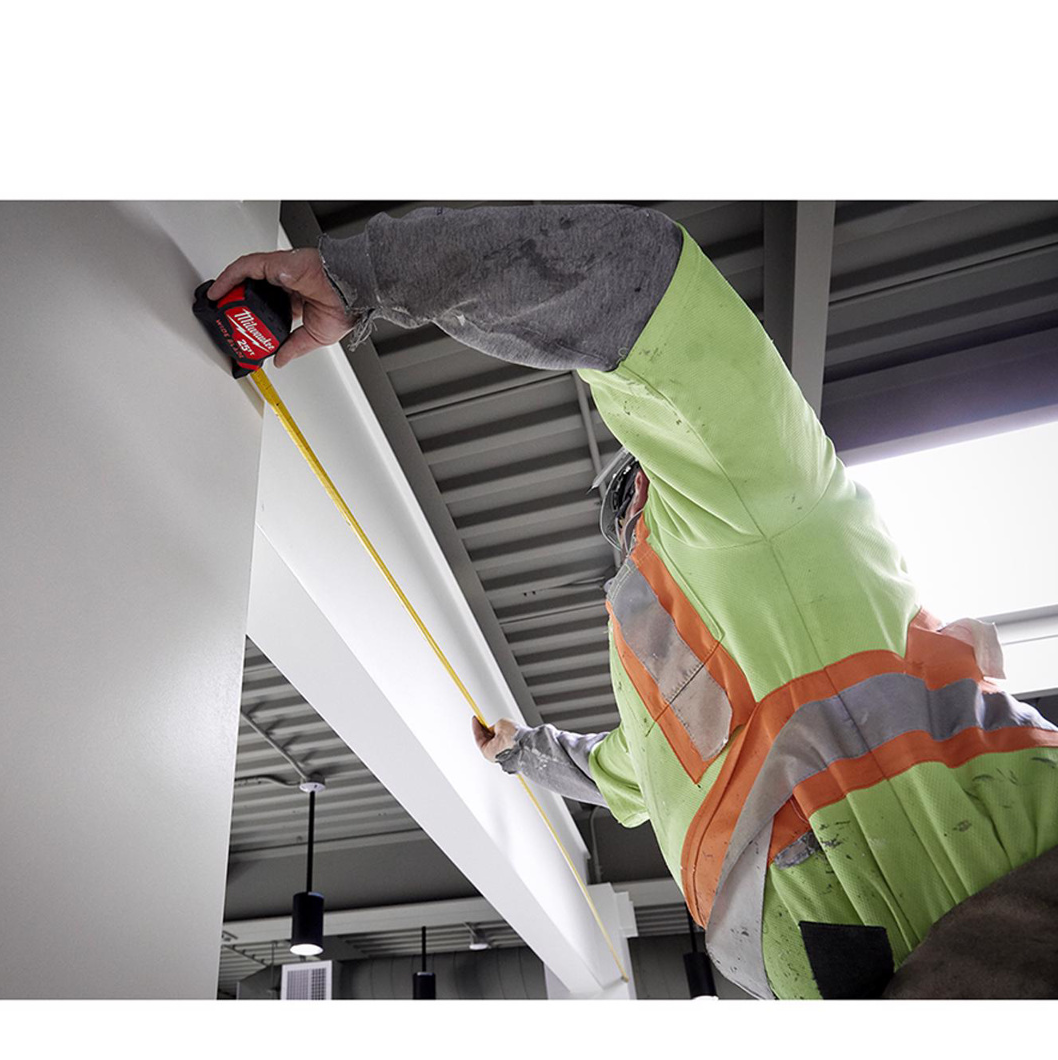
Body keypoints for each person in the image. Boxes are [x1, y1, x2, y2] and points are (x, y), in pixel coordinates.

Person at [209, 204, 1058, 999]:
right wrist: (518, 751)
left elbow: (640, 288)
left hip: (1005, 910)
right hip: (876, 979)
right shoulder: (661, 650)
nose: (627, 525)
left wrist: (363, 276)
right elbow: (621, 772)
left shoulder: (768, 497)